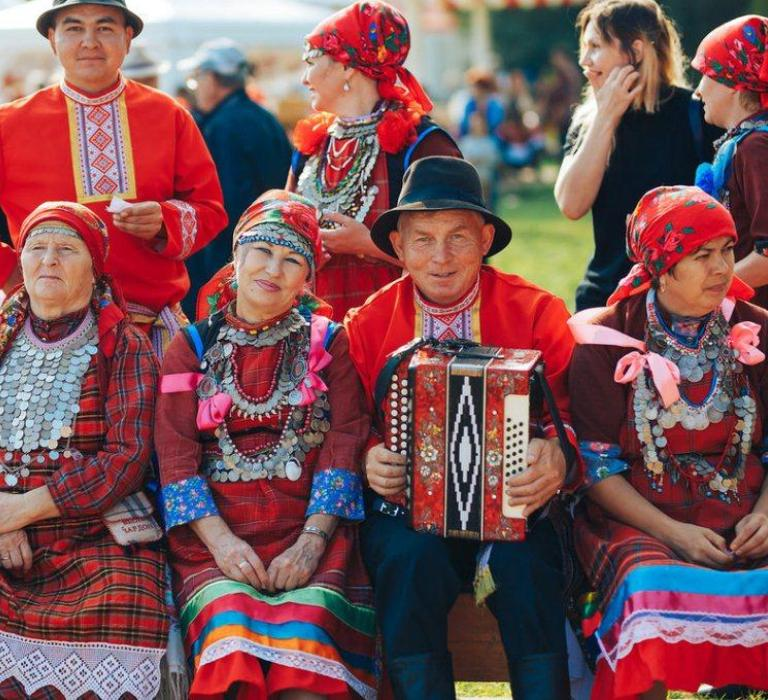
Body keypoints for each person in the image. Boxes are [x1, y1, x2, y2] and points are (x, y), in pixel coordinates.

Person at [345, 156, 581, 700]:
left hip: (516, 509)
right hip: (407, 515)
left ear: (487, 238)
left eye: (458, 237)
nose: (441, 257)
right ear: (399, 249)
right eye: (422, 240)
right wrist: (366, 456)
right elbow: (345, 424)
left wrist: (558, 456)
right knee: (408, 563)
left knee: (526, 570)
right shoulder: (366, 325)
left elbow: (577, 418)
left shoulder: (537, 312)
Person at [155, 190, 376, 699]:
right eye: (262, 251)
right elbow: (176, 455)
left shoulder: (328, 342)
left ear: (308, 279)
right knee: (231, 642)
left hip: (310, 532)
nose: (273, 270)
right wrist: (222, 543)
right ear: (236, 256)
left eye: (292, 259)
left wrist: (311, 542)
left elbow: (346, 439)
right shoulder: (189, 347)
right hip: (215, 538)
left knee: (307, 669)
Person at [568, 185, 768, 699]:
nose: (723, 268)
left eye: (727, 250)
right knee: (650, 593)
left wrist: (767, 514)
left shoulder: (756, 330)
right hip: (642, 517)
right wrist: (674, 534)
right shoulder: (606, 342)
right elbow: (596, 470)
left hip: (747, 512)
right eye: (703, 256)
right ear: (661, 265)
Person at [0, 202, 167, 699]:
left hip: (90, 532)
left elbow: (126, 459)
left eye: (66, 250)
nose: (48, 260)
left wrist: (21, 513)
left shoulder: (125, 346)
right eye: (37, 247)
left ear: (95, 269)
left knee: (123, 599)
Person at [0, 0, 227, 355]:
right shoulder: (8, 124)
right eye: (74, 28)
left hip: (149, 328)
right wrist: (11, 274)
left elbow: (211, 210)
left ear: (128, 38)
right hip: (41, 330)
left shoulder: (169, 115)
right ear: (51, 39)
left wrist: (165, 222)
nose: (89, 41)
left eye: (104, 28)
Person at [285, 0, 461, 322]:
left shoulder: (421, 145)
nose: (304, 78)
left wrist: (367, 243)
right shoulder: (313, 144)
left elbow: (461, 253)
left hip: (399, 326)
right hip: (316, 331)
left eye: (311, 61)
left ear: (346, 65)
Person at [555, 0, 720, 312]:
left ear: (637, 50)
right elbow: (571, 204)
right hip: (605, 302)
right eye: (584, 47)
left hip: (684, 306)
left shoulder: (696, 113)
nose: (584, 60)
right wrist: (606, 116)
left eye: (595, 46)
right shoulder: (587, 119)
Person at [179, 38, 292, 318]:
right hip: (274, 246)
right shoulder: (262, 116)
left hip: (231, 256)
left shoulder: (223, 126)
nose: (195, 88)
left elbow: (222, 205)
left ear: (213, 78)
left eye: (197, 79)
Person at [692, 15, 768, 309]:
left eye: (706, 75)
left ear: (734, 83)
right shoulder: (746, 142)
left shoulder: (756, 147)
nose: (698, 90)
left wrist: (698, 293)